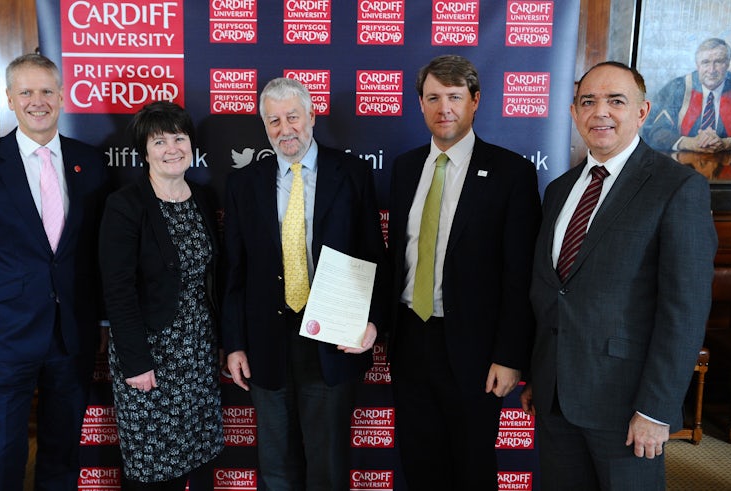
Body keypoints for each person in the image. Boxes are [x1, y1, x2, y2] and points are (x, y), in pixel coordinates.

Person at [522, 62, 717, 490]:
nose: (600, 112)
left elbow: (684, 310)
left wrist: (656, 409)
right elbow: (552, 291)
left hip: (628, 407)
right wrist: (539, 374)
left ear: (642, 111)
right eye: (588, 102)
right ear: (573, 112)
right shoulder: (559, 190)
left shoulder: (677, 187)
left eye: (616, 101)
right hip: (555, 398)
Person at [0, 53, 109, 490]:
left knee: (62, 454)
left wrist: (103, 320)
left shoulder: (90, 162)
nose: (38, 101)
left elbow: (98, 253)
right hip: (4, 336)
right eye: (26, 92)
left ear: (62, 96)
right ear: (10, 99)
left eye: (46, 91)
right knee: (2, 456)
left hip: (72, 335)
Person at [222, 77, 387, 491]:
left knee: (327, 468)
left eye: (292, 117)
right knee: (276, 467)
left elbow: (373, 255)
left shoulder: (352, 173)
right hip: (266, 345)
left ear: (312, 116)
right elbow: (234, 271)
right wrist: (235, 343)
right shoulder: (243, 183)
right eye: (274, 121)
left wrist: (372, 321)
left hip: (332, 340)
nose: (285, 129)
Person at [387, 54, 541, 489]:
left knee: (472, 467)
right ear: (420, 103)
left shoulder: (512, 172)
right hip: (410, 339)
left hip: (476, 350)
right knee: (419, 464)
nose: (444, 108)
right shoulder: (404, 168)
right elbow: (396, 258)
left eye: (455, 97)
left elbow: (519, 274)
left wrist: (509, 356)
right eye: (433, 97)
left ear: (475, 101)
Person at [98, 101, 224, 491]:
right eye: (159, 141)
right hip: (149, 356)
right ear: (144, 151)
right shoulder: (125, 205)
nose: (172, 148)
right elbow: (117, 290)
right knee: (152, 469)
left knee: (197, 459)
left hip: (198, 353)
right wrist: (136, 362)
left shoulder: (203, 197)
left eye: (179, 138)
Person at [642, 38, 731, 153]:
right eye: (705, 62)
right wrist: (690, 143)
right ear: (697, 65)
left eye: (718, 62)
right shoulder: (677, 88)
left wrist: (727, 144)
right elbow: (655, 132)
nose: (712, 70)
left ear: (728, 63)